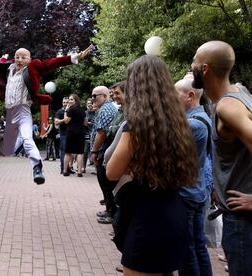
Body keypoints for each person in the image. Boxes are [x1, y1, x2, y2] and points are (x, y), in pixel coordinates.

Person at [106, 55, 198, 275]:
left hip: (147, 221)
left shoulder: (136, 126)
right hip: (174, 213)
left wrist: (133, 164)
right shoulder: (180, 123)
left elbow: (111, 171)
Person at [0, 45, 92, 184]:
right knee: (8, 149)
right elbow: (0, 68)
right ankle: (4, 145)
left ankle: (37, 168)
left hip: (23, 111)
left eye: (23, 57)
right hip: (10, 112)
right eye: (17, 57)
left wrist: (73, 57)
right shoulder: (9, 70)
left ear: (29, 59)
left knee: (27, 139)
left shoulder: (32, 67)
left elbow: (50, 63)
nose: (20, 60)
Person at [192, 40, 252, 275]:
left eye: (195, 59)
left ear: (204, 68)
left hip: (242, 222)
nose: (191, 64)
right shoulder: (240, 93)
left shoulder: (228, 107)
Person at [175, 77, 212, 276]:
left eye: (175, 95)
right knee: (198, 246)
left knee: (186, 250)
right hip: (198, 191)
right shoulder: (204, 117)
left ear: (190, 96)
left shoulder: (192, 124)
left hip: (187, 194)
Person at [89, 86, 117, 224]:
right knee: (105, 183)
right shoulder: (106, 108)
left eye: (96, 96)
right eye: (92, 96)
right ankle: (109, 209)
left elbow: (101, 133)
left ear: (105, 96)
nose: (93, 99)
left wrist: (94, 151)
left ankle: (111, 212)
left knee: (106, 183)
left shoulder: (106, 109)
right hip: (104, 151)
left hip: (103, 152)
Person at [61, 94, 86, 176]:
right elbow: (85, 122)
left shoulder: (71, 109)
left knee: (68, 152)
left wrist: (65, 110)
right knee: (80, 152)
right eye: (69, 99)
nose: (69, 101)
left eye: (71, 99)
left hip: (71, 132)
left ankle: (65, 171)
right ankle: (79, 172)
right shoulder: (82, 110)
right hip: (81, 132)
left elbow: (66, 121)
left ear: (76, 100)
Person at [55, 97, 69, 174]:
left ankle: (68, 168)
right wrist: (65, 120)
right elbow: (56, 122)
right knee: (64, 151)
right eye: (64, 102)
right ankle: (63, 169)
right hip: (63, 134)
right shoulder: (60, 111)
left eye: (66, 102)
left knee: (69, 152)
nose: (65, 104)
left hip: (71, 134)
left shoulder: (71, 111)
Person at [83, 98, 95, 172]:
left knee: (94, 150)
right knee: (85, 151)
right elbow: (83, 123)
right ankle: (83, 167)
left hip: (94, 133)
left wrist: (91, 123)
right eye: (88, 104)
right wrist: (87, 123)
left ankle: (96, 168)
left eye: (90, 103)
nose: (89, 105)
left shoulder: (96, 112)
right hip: (86, 133)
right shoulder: (85, 113)